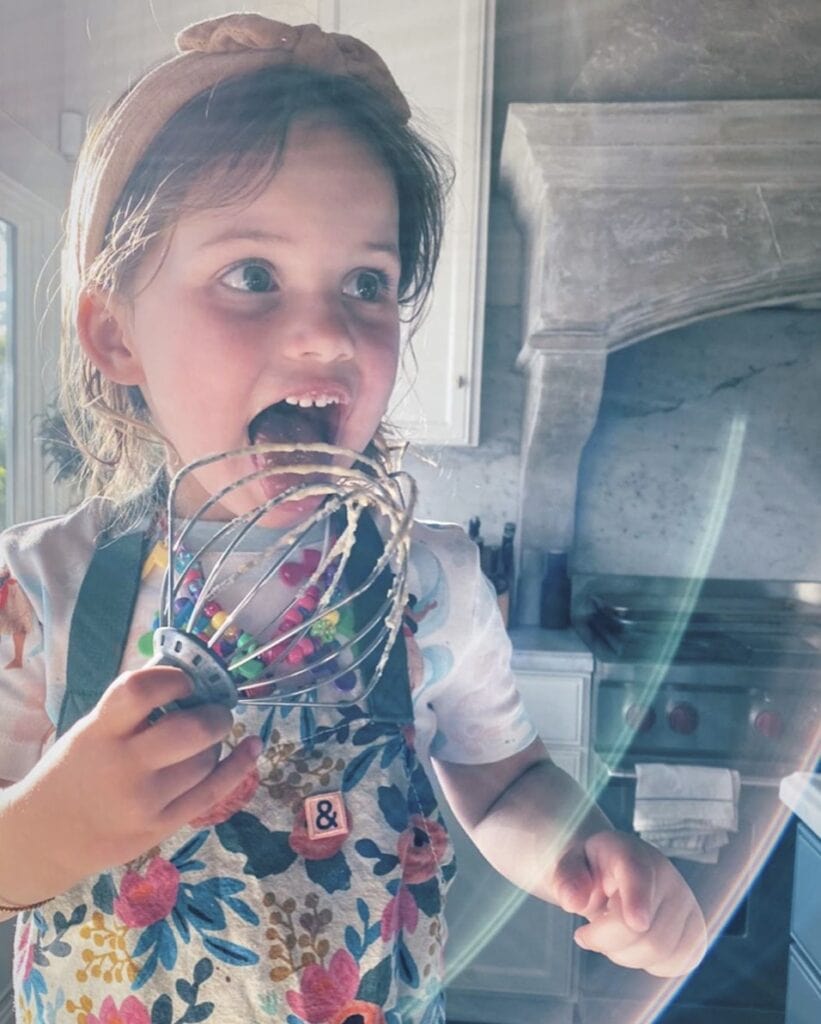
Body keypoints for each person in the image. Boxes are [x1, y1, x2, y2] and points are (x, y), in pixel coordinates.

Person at [0, 13, 706, 1023]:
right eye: (251, 275)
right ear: (116, 334)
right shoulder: (38, 592)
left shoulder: (430, 590)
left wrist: (584, 849)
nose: (327, 330)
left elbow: (503, 787)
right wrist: (50, 826)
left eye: (366, 284)